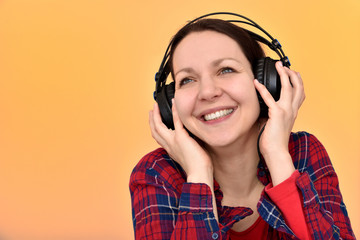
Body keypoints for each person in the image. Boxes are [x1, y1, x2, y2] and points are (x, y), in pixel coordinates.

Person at [129, 13, 355, 240]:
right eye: (187, 79)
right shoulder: (155, 173)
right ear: (169, 102)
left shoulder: (303, 152)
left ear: (267, 81)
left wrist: (277, 156)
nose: (208, 92)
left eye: (226, 70)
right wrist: (199, 175)